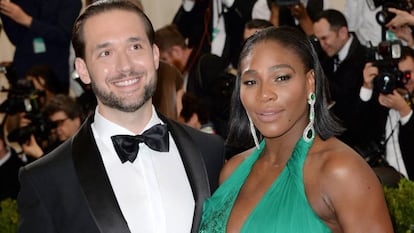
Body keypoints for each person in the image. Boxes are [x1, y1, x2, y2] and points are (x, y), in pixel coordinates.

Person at [17, 1, 225, 233]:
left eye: (135, 47)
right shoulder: (47, 180)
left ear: (155, 55)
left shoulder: (211, 152)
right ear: (83, 70)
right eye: (105, 53)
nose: (124, 66)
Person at [199, 26, 393, 233]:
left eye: (281, 78)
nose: (264, 94)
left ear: (310, 82)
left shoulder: (341, 172)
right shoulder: (232, 171)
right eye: (251, 81)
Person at [313, 9, 370, 149]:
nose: (322, 44)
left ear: (343, 33)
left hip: (358, 142)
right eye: (318, 39)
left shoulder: (366, 60)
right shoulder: (323, 57)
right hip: (331, 138)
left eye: (325, 38)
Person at [0, 0, 82, 94]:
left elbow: (63, 35)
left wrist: (27, 20)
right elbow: (17, 38)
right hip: (24, 69)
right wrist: (5, 8)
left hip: (54, 74)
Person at [358, 46, 414, 181]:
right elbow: (357, 132)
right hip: (382, 180)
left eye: (409, 73)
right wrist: (367, 87)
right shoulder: (381, 100)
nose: (406, 79)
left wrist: (404, 111)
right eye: (398, 74)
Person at [20, 94, 85, 160]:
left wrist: (40, 156)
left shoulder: (88, 141)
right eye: (54, 125)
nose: (57, 129)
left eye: (61, 122)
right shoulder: (56, 145)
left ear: (76, 119)